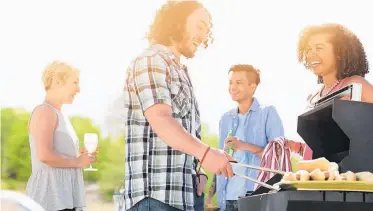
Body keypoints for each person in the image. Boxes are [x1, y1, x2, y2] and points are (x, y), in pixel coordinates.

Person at [122, 1, 234, 211]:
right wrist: (207, 153)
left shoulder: (181, 71)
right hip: (154, 197)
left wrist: (197, 171)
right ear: (176, 23)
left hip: (183, 198)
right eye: (199, 26)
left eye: (207, 31)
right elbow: (161, 119)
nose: (204, 36)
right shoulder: (152, 59)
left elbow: (183, 134)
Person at [206, 64, 284, 211]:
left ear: (253, 86)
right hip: (227, 199)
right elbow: (221, 158)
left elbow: (278, 156)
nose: (233, 87)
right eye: (230, 82)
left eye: (239, 82)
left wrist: (243, 145)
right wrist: (210, 197)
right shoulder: (225, 119)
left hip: (256, 197)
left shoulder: (267, 113)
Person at [25, 61, 97, 211]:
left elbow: (60, 155)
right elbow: (44, 155)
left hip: (64, 199)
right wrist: (77, 161)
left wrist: (80, 156)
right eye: (75, 82)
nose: (78, 89)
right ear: (57, 81)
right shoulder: (44, 111)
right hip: (49, 198)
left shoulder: (60, 114)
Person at [297, 23, 373, 108]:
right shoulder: (312, 97)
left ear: (339, 52)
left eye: (319, 48)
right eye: (308, 49)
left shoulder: (356, 84)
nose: (311, 54)